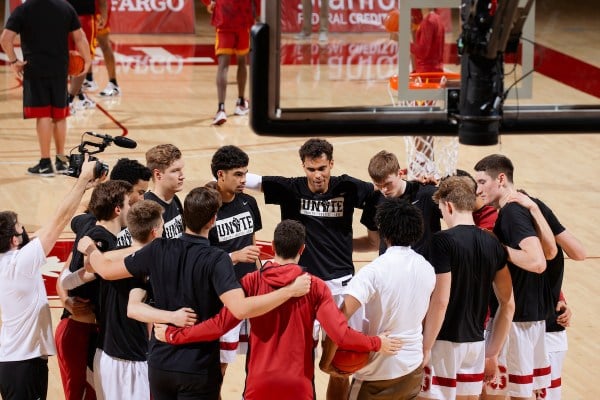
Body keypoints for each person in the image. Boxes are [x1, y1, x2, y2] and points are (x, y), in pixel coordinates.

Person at [77, 186, 312, 400]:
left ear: (183, 216)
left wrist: (90, 248)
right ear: (213, 220)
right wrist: (289, 291)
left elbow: (106, 270)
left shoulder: (158, 248)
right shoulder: (217, 258)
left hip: (160, 364)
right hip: (198, 367)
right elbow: (240, 308)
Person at [153, 219, 402, 399]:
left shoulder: (250, 282)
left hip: (258, 384)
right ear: (302, 249)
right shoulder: (314, 286)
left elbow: (219, 325)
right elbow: (340, 335)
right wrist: (377, 343)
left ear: (272, 246)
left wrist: (177, 335)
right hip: (298, 386)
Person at [245, 138, 378, 399]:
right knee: (298, 356)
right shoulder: (291, 188)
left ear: (331, 164)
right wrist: (221, 178)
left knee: (341, 364)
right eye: (311, 169)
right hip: (301, 288)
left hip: (341, 287)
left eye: (321, 168)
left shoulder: (349, 187)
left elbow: (380, 190)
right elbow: (249, 180)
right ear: (303, 167)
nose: (317, 175)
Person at [61, 200, 197, 399]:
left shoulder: (108, 257)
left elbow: (67, 282)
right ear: (155, 232)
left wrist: (67, 300)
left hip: (104, 355)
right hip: (133, 359)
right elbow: (133, 309)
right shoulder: (150, 264)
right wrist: (174, 317)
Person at [320, 198, 436, 400]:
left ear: (383, 231)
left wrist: (326, 362)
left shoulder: (373, 272)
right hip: (412, 367)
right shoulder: (427, 268)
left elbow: (337, 321)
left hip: (378, 372)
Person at [0, 157, 96, 400]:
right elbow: (59, 221)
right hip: (22, 365)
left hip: (20, 361)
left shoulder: (11, 258)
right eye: (21, 227)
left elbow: (50, 223)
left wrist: (81, 187)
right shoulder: (19, 264)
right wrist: (83, 178)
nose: (27, 231)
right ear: (14, 239)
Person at [418, 176, 515, 400]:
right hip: (476, 345)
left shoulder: (441, 241)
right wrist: (492, 352)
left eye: (441, 209)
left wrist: (425, 347)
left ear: (448, 205)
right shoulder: (493, 243)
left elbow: (441, 301)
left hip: (443, 343)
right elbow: (508, 304)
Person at [474, 154, 556, 400]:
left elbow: (538, 262)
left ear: (501, 179)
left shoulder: (510, 212)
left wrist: (497, 248)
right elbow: (551, 251)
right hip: (531, 319)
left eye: (481, 182)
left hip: (515, 323)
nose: (478, 190)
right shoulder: (522, 207)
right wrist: (534, 207)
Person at [55, 180, 132, 400]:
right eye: (129, 203)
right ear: (118, 209)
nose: (132, 207)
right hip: (79, 331)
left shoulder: (86, 222)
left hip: (91, 331)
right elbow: (81, 275)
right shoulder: (101, 242)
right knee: (83, 395)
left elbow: (77, 216)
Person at [506, 191, 586, 400]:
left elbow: (572, 256)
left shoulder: (537, 249)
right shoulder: (525, 245)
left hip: (545, 332)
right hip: (531, 330)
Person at [1, 0, 90, 176]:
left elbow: (5, 39)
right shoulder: (65, 7)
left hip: (35, 69)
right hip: (60, 69)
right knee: (59, 115)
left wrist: (13, 61)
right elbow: (80, 37)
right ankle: (62, 162)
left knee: (43, 115)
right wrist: (87, 61)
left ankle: (45, 163)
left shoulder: (24, 9)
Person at [209, 145, 263, 381]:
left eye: (245, 173)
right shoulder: (206, 207)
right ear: (220, 175)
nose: (244, 180)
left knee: (256, 358)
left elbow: (253, 246)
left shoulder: (249, 203)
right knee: (219, 365)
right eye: (238, 175)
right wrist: (234, 256)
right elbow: (200, 257)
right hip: (222, 296)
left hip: (250, 293)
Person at [354, 150, 441, 257]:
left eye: (388, 183)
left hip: (423, 269)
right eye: (379, 185)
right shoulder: (374, 200)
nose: (384, 190)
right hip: (389, 270)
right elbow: (373, 243)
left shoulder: (427, 194)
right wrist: (337, 246)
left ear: (400, 174)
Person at [201, 0, 259, 126]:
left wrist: (209, 3)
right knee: (242, 61)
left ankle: (221, 109)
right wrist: (257, 13)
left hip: (224, 16)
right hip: (244, 17)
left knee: (223, 65)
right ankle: (241, 102)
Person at [66, 0, 107, 112]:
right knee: (83, 60)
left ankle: (80, 97)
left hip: (63, 17)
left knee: (70, 59)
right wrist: (103, 15)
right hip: (84, 19)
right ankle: (68, 101)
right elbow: (102, 2)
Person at [144, 144, 185, 239]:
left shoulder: (174, 198)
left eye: (181, 169)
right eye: (175, 171)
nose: (182, 176)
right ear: (158, 174)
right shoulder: (148, 209)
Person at [83, 0, 120, 96]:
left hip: (99, 7)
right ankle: (89, 79)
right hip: (88, 7)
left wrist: (104, 15)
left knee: (104, 43)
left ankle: (113, 84)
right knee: (85, 42)